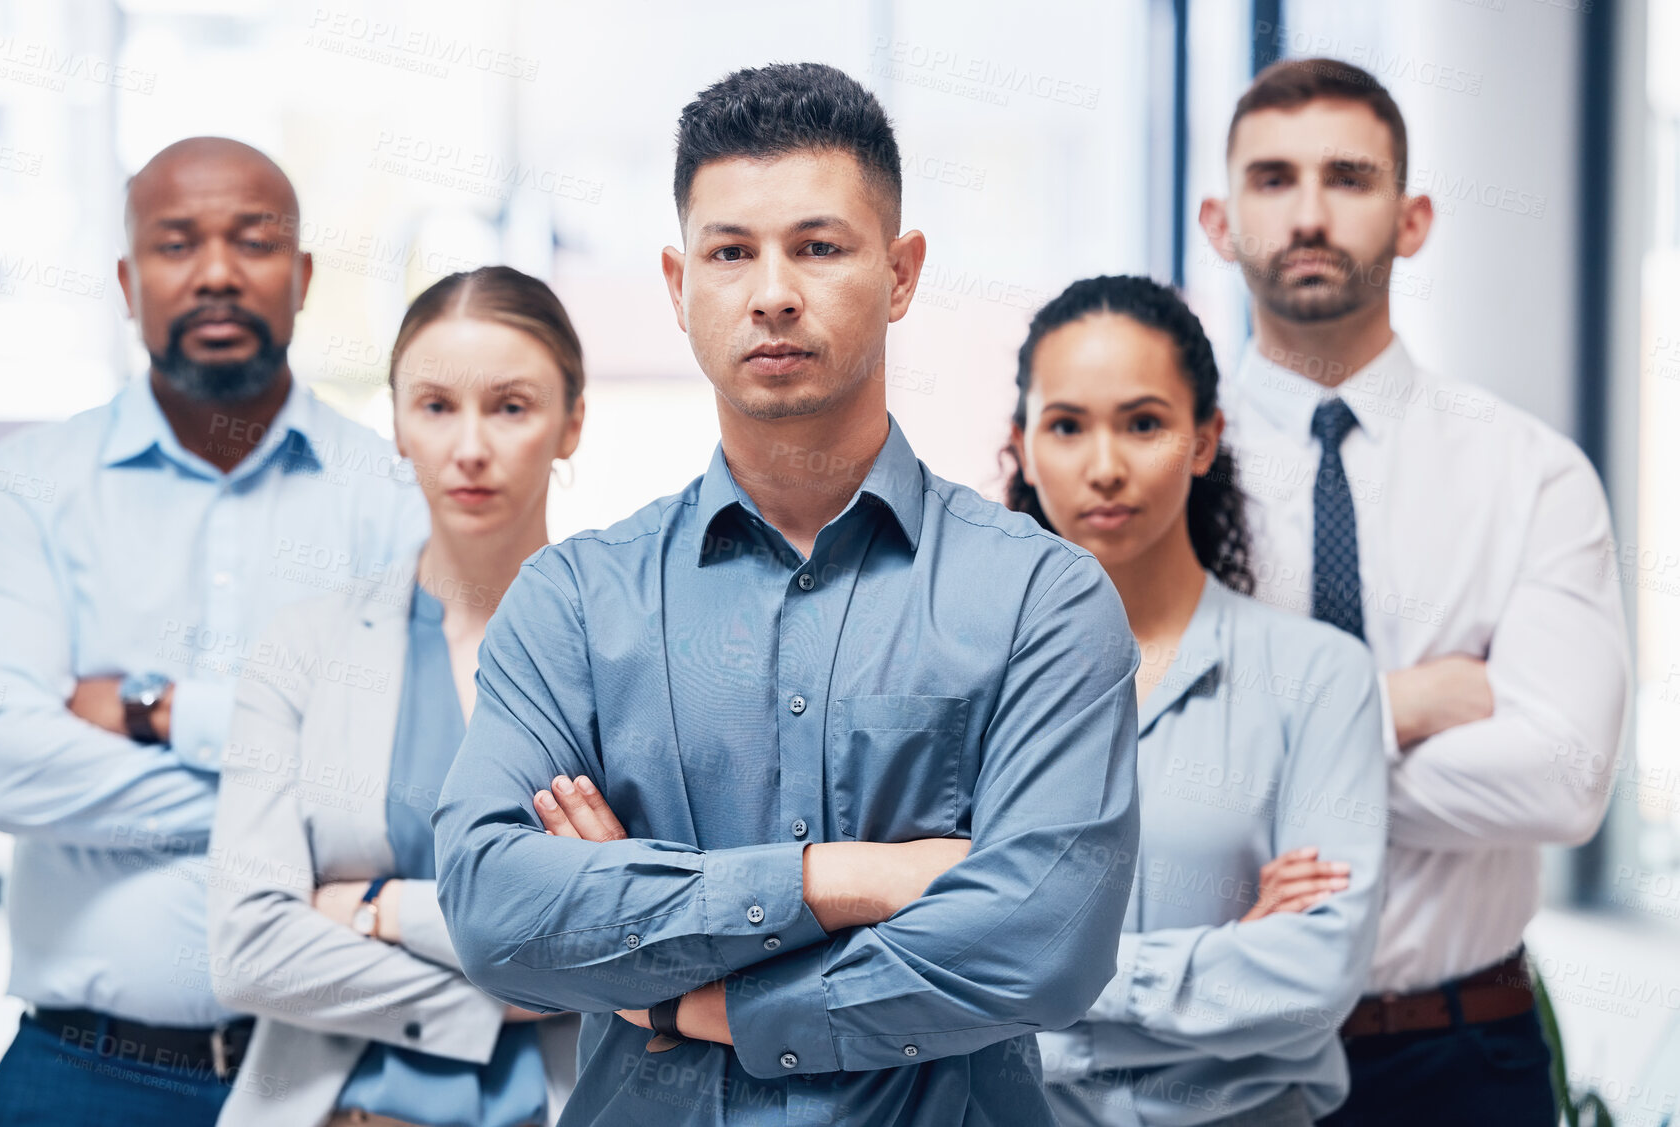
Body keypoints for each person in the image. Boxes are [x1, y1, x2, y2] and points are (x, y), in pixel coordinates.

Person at [431, 62, 1142, 1126]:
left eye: (819, 247)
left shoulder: (1043, 598)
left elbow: (1045, 941)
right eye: (729, 252)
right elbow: (495, 911)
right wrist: (845, 878)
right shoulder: (575, 601)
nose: (772, 291)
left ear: (901, 273)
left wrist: (693, 991)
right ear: (677, 283)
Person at [0, 137, 424, 1126]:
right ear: (128, 280)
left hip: (341, 1084)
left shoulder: (397, 497)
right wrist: (296, 796)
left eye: (253, 241)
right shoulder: (30, 490)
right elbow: (0, 764)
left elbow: (411, 783)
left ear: (302, 277)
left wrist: (158, 710)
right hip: (80, 1075)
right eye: (175, 243)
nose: (215, 273)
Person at [1198, 59, 1630, 1126]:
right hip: (1215, 1052)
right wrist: (1408, 706)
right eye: (1273, 179)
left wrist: (1261, 754)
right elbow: (1140, 775)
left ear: (1413, 217)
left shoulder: (1530, 472)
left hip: (1465, 1055)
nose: (1308, 213)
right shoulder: (1160, 476)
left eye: (1348, 176)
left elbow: (1565, 781)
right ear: (1219, 219)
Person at [1000, 275, 1386, 1127]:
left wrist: (1048, 989)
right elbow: (920, 964)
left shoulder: (1320, 676)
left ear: (1205, 437)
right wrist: (1225, 961)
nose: (1104, 466)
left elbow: (1314, 981)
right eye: (1066, 426)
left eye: (1144, 423)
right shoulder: (966, 682)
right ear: (1023, 445)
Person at [208, 266, 586, 1127]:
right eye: (436, 406)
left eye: (512, 406)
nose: (471, 447)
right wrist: (492, 1003)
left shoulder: (637, 655)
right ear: (397, 427)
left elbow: (634, 934)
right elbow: (249, 949)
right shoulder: (304, 647)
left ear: (571, 425)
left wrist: (382, 909)